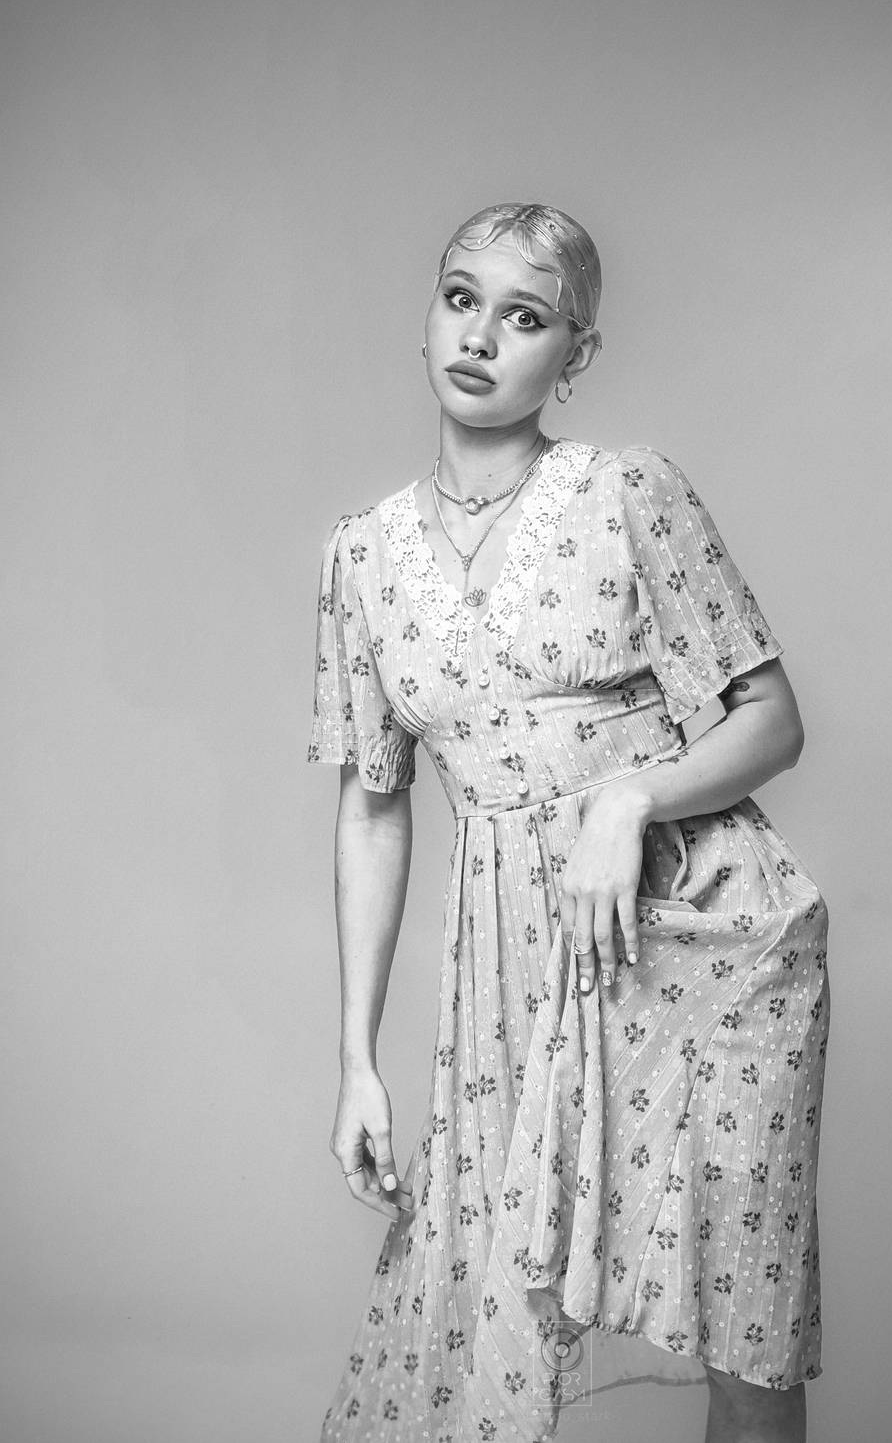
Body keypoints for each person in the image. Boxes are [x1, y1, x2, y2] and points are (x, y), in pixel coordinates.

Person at [307, 202, 829, 1443]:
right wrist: (356, 1059)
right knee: (485, 1317)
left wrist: (631, 797)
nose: (481, 337)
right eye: (460, 299)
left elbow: (772, 720)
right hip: (512, 972)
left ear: (574, 353)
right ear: (428, 317)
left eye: (525, 316)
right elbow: (374, 807)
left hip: (699, 939)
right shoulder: (362, 558)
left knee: (742, 1327)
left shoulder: (626, 492)